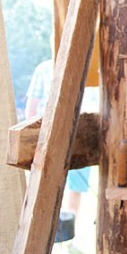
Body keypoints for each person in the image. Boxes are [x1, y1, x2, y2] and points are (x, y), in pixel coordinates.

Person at [25, 58, 93, 217]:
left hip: (78, 134)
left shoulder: (84, 65)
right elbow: (32, 109)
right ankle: (51, 220)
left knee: (74, 186)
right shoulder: (43, 69)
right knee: (46, 184)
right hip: (50, 136)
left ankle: (68, 224)